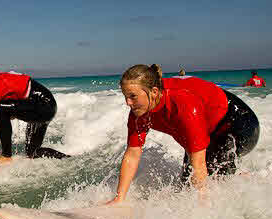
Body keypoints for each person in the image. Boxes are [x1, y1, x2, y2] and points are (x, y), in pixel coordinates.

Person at [109, 64, 259, 203]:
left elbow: (198, 163)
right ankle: (244, 176)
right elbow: (132, 153)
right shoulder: (139, 111)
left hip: (237, 124)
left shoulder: (182, 104)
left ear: (154, 92)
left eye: (133, 96)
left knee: (216, 188)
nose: (127, 103)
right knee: (184, 189)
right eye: (125, 96)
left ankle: (250, 182)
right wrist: (119, 199)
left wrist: (201, 205)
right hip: (207, 127)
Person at [0, 61, 69, 165]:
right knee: (32, 153)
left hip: (44, 106)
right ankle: (67, 159)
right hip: (44, 107)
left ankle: (6, 155)